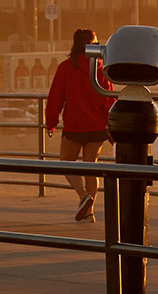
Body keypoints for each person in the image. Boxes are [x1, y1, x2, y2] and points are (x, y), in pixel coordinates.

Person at [44, 29, 115, 223]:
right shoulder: (101, 69)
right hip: (97, 127)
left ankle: (83, 196)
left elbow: (55, 97)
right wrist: (111, 125)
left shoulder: (66, 68)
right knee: (90, 168)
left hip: (74, 126)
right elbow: (108, 99)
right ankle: (89, 213)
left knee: (66, 163)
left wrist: (51, 122)